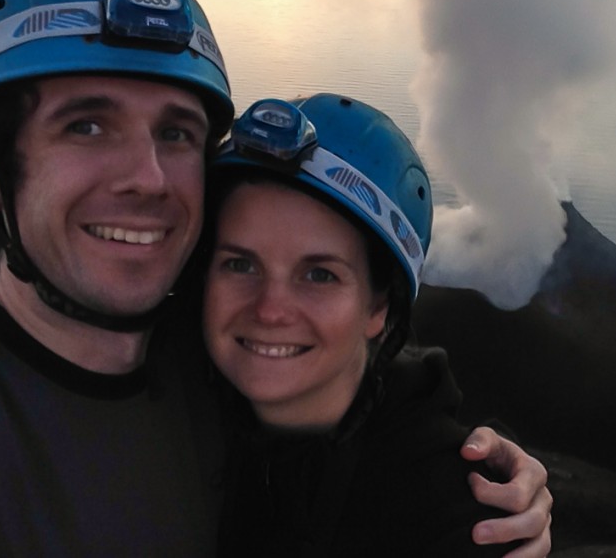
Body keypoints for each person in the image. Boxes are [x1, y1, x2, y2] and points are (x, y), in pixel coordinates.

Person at [0, 0, 552, 556]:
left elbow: (363, 402)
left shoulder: (212, 371)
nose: (150, 177)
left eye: (176, 133)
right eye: (86, 126)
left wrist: (460, 477)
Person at [203, 94, 528, 556]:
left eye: (320, 274)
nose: (270, 310)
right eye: (239, 264)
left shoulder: (456, 518)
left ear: (380, 309)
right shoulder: (170, 413)